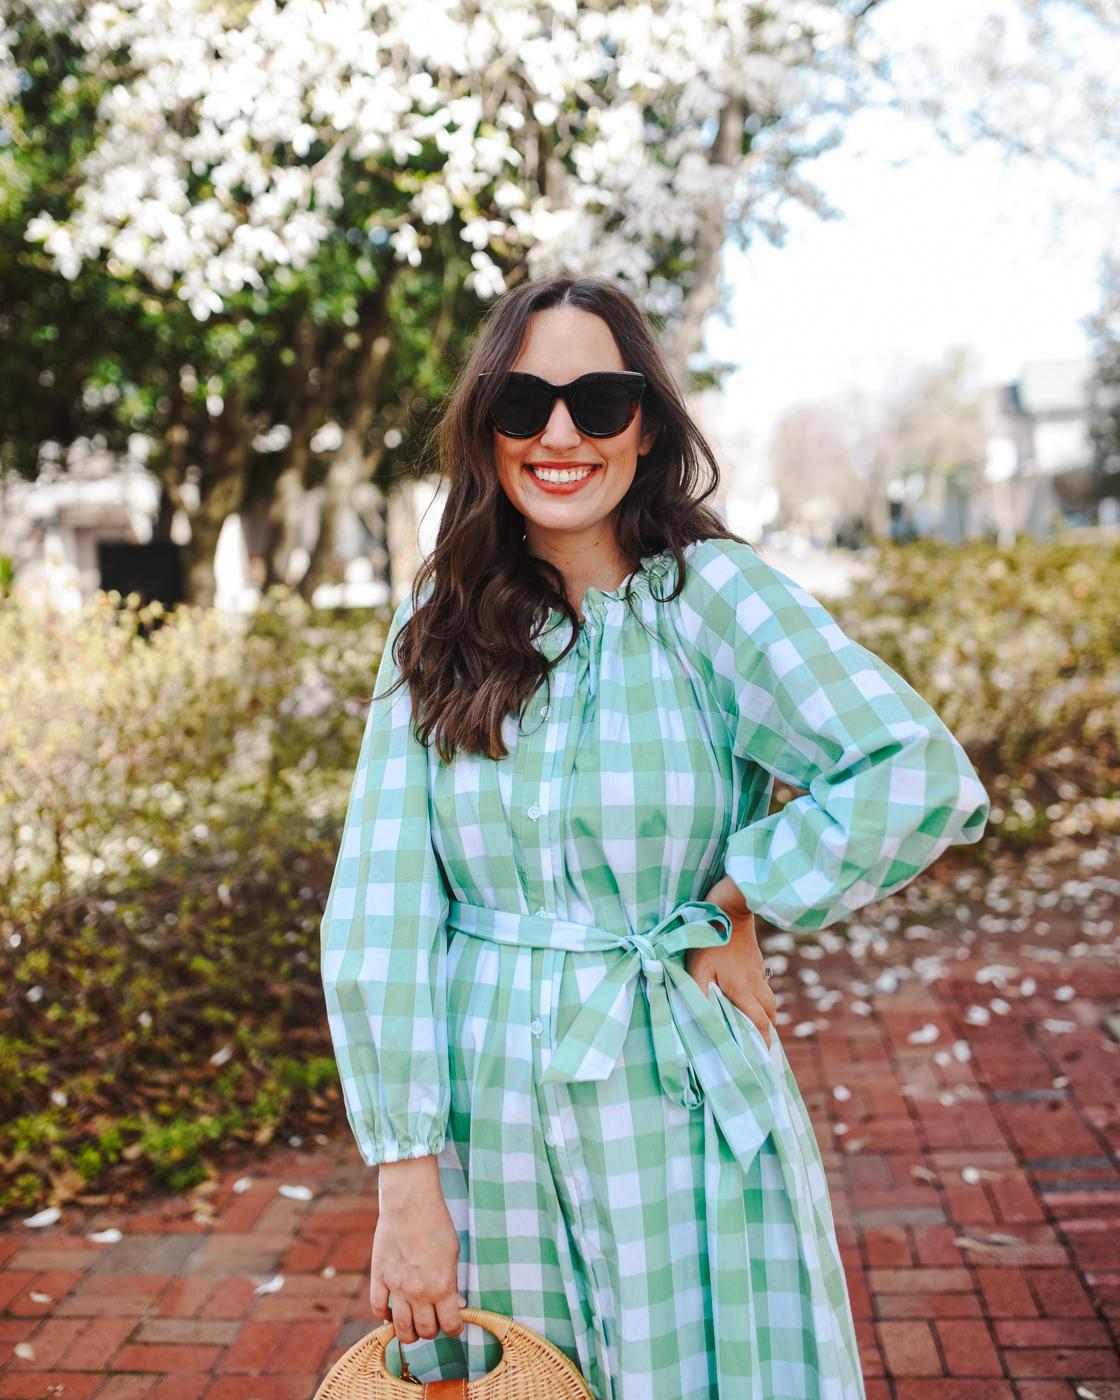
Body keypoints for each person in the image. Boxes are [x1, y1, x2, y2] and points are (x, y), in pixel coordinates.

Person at [321, 277, 988, 1400]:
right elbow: (382, 908)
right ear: (485, 424)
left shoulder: (715, 598)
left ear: (647, 422)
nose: (562, 433)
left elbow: (911, 768)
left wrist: (745, 892)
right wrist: (406, 1182)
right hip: (494, 1122)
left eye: (599, 396)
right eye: (524, 401)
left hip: (684, 1093)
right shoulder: (435, 623)